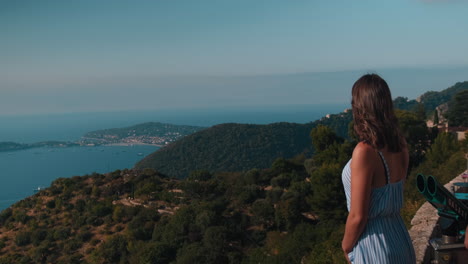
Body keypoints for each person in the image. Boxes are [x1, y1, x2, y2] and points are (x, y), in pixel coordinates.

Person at [341, 74, 416, 263]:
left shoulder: (364, 152)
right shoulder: (400, 145)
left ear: (360, 107)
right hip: (400, 240)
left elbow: (359, 216)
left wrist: (346, 246)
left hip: (373, 245)